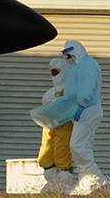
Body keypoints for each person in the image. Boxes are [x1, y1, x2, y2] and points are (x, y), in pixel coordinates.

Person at [62, 40, 107, 195]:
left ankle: (92, 178)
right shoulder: (78, 66)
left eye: (70, 55)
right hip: (82, 110)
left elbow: (86, 87)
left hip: (88, 109)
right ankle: (91, 180)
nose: (68, 59)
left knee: (77, 145)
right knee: (83, 146)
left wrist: (81, 104)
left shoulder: (88, 65)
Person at [37, 58, 73, 193]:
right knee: (45, 154)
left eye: (57, 71)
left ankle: (64, 183)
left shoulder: (71, 89)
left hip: (65, 125)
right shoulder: (52, 91)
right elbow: (45, 100)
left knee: (62, 153)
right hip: (49, 124)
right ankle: (51, 183)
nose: (55, 75)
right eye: (53, 72)